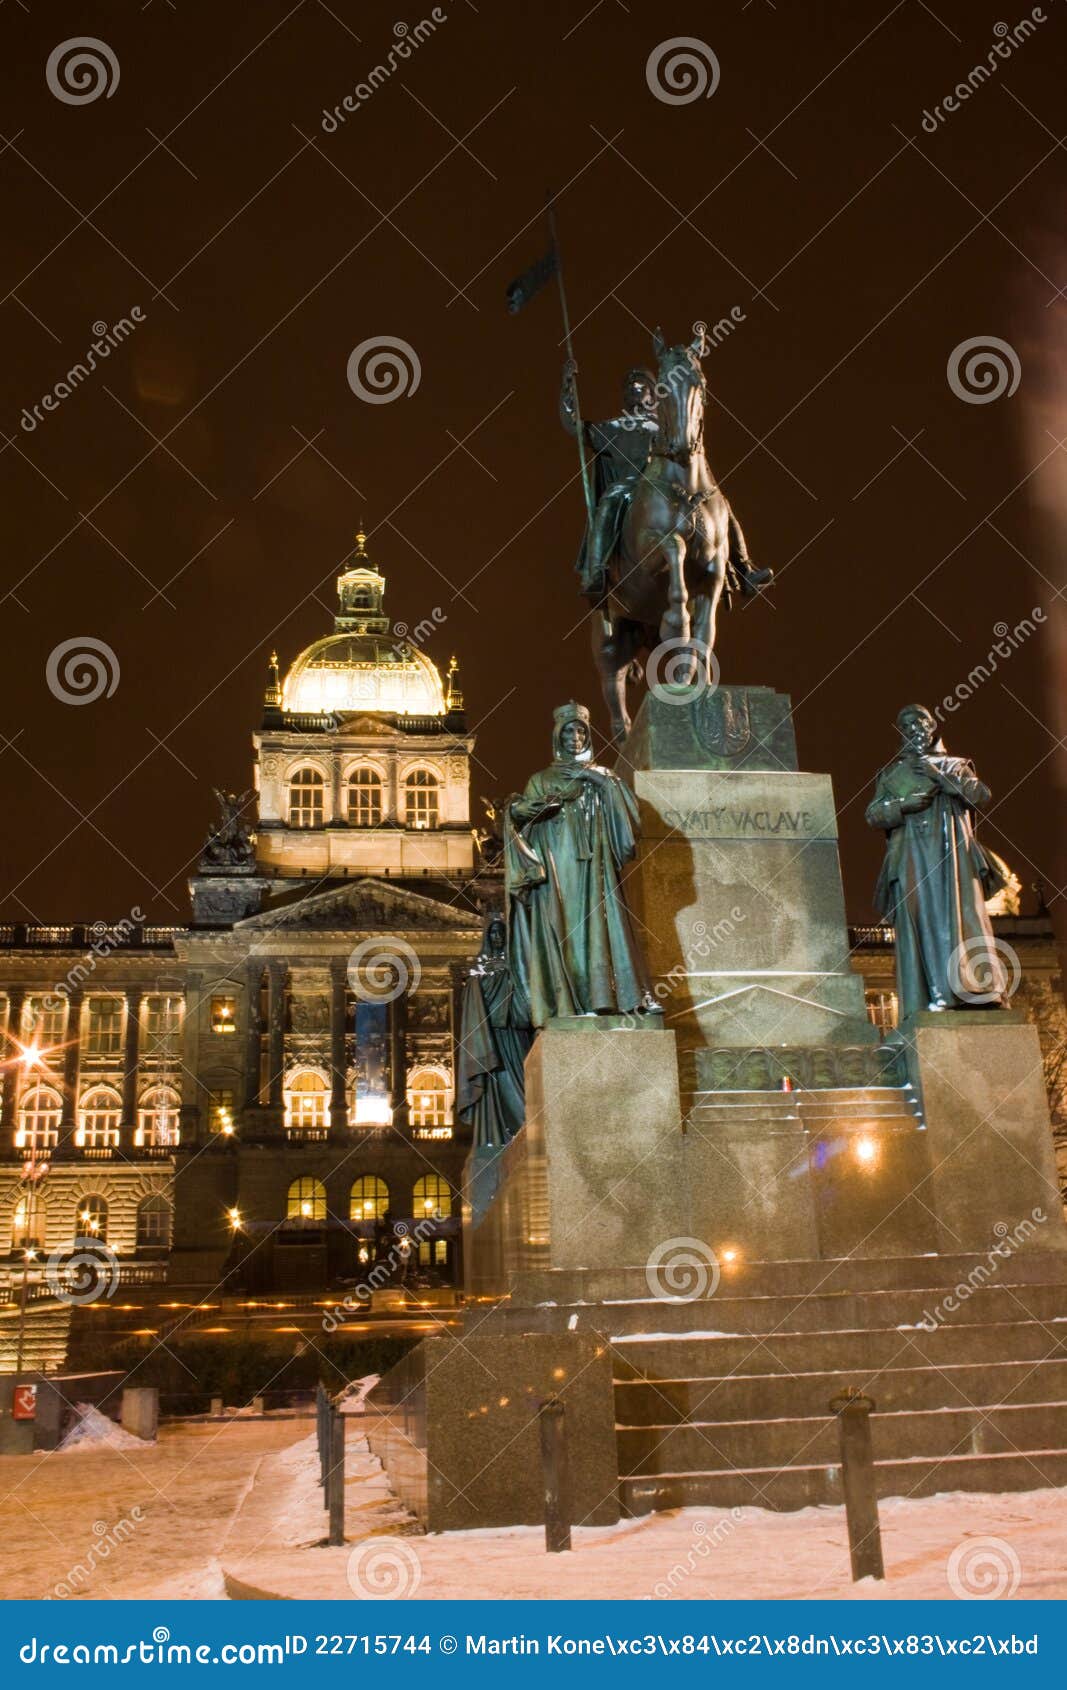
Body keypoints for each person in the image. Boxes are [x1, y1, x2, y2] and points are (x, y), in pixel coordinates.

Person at [504, 701, 656, 1024]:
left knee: (601, 929)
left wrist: (600, 781)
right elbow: (521, 824)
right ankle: (565, 1005)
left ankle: (606, 999)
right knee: (563, 935)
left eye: (580, 731)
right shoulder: (540, 780)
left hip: (595, 870)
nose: (574, 738)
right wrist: (520, 814)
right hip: (557, 872)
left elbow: (630, 827)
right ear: (557, 737)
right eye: (568, 731)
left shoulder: (604, 778)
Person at [865, 703, 1009, 1017]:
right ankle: (929, 997)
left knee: (964, 916)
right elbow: (873, 814)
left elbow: (981, 795)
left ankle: (975, 990)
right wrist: (904, 804)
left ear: (932, 727)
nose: (914, 728)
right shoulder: (891, 774)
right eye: (907, 724)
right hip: (912, 858)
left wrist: (942, 779)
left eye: (920, 722)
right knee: (920, 921)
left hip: (954, 856)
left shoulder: (955, 765)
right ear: (901, 732)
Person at [455, 915, 533, 1148]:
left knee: (519, 1084)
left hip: (513, 1033)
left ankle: (524, 1128)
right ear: (487, 938)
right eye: (493, 933)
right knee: (496, 1084)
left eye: (501, 932)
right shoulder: (479, 971)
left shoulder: (518, 965)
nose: (497, 937)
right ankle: (499, 1135)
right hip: (489, 1038)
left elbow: (527, 995)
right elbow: (474, 1000)